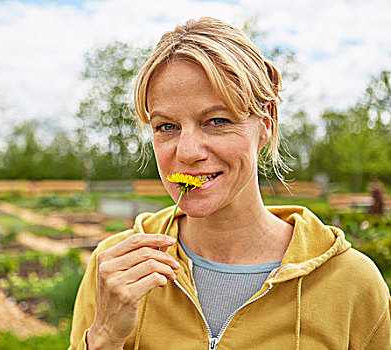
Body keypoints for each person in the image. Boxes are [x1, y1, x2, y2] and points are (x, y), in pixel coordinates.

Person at [69, 17, 390, 350]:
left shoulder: (353, 284)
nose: (188, 152)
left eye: (217, 121)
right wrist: (104, 338)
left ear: (265, 126)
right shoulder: (113, 268)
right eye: (166, 127)